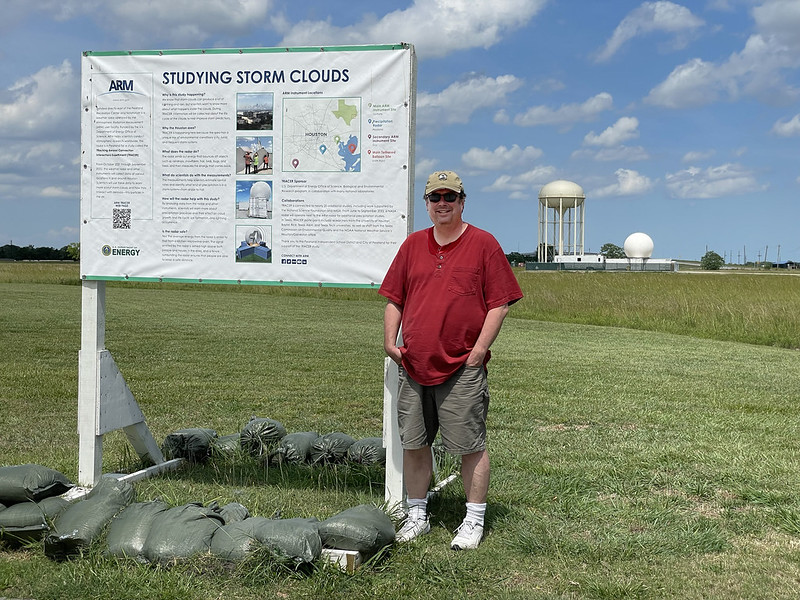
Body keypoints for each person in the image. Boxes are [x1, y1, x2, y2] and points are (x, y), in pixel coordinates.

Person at [379, 170, 523, 551]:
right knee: (414, 443)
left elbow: (500, 304)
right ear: (426, 204)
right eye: (434, 197)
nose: (442, 203)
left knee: (469, 446)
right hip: (413, 365)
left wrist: (477, 352)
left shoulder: (483, 244)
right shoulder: (412, 245)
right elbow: (396, 297)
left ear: (462, 202)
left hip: (462, 368)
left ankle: (473, 520)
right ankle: (416, 515)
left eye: (450, 196)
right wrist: (390, 342)